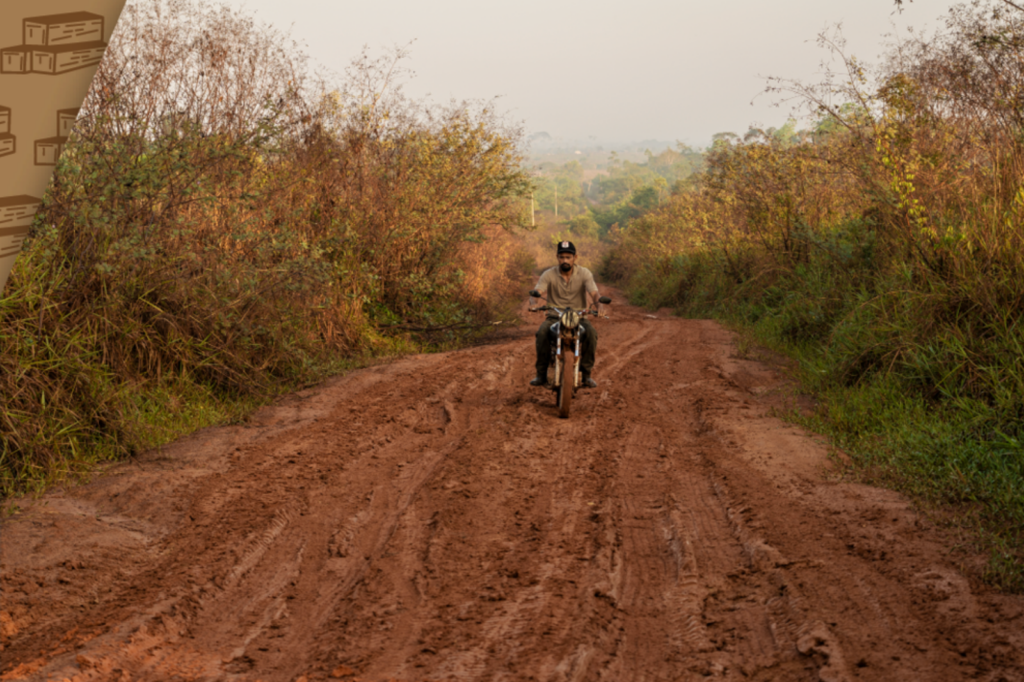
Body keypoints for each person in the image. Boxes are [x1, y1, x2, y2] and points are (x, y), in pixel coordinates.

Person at [530, 241, 602, 388]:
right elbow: (537, 291)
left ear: (575, 257)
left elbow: (594, 293)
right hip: (554, 317)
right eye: (562, 257)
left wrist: (599, 305)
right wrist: (533, 302)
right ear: (557, 257)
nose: (565, 260)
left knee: (591, 334)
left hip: (579, 317)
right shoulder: (549, 274)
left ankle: (586, 375)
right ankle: (541, 375)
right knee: (542, 332)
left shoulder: (584, 273)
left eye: (568, 257)